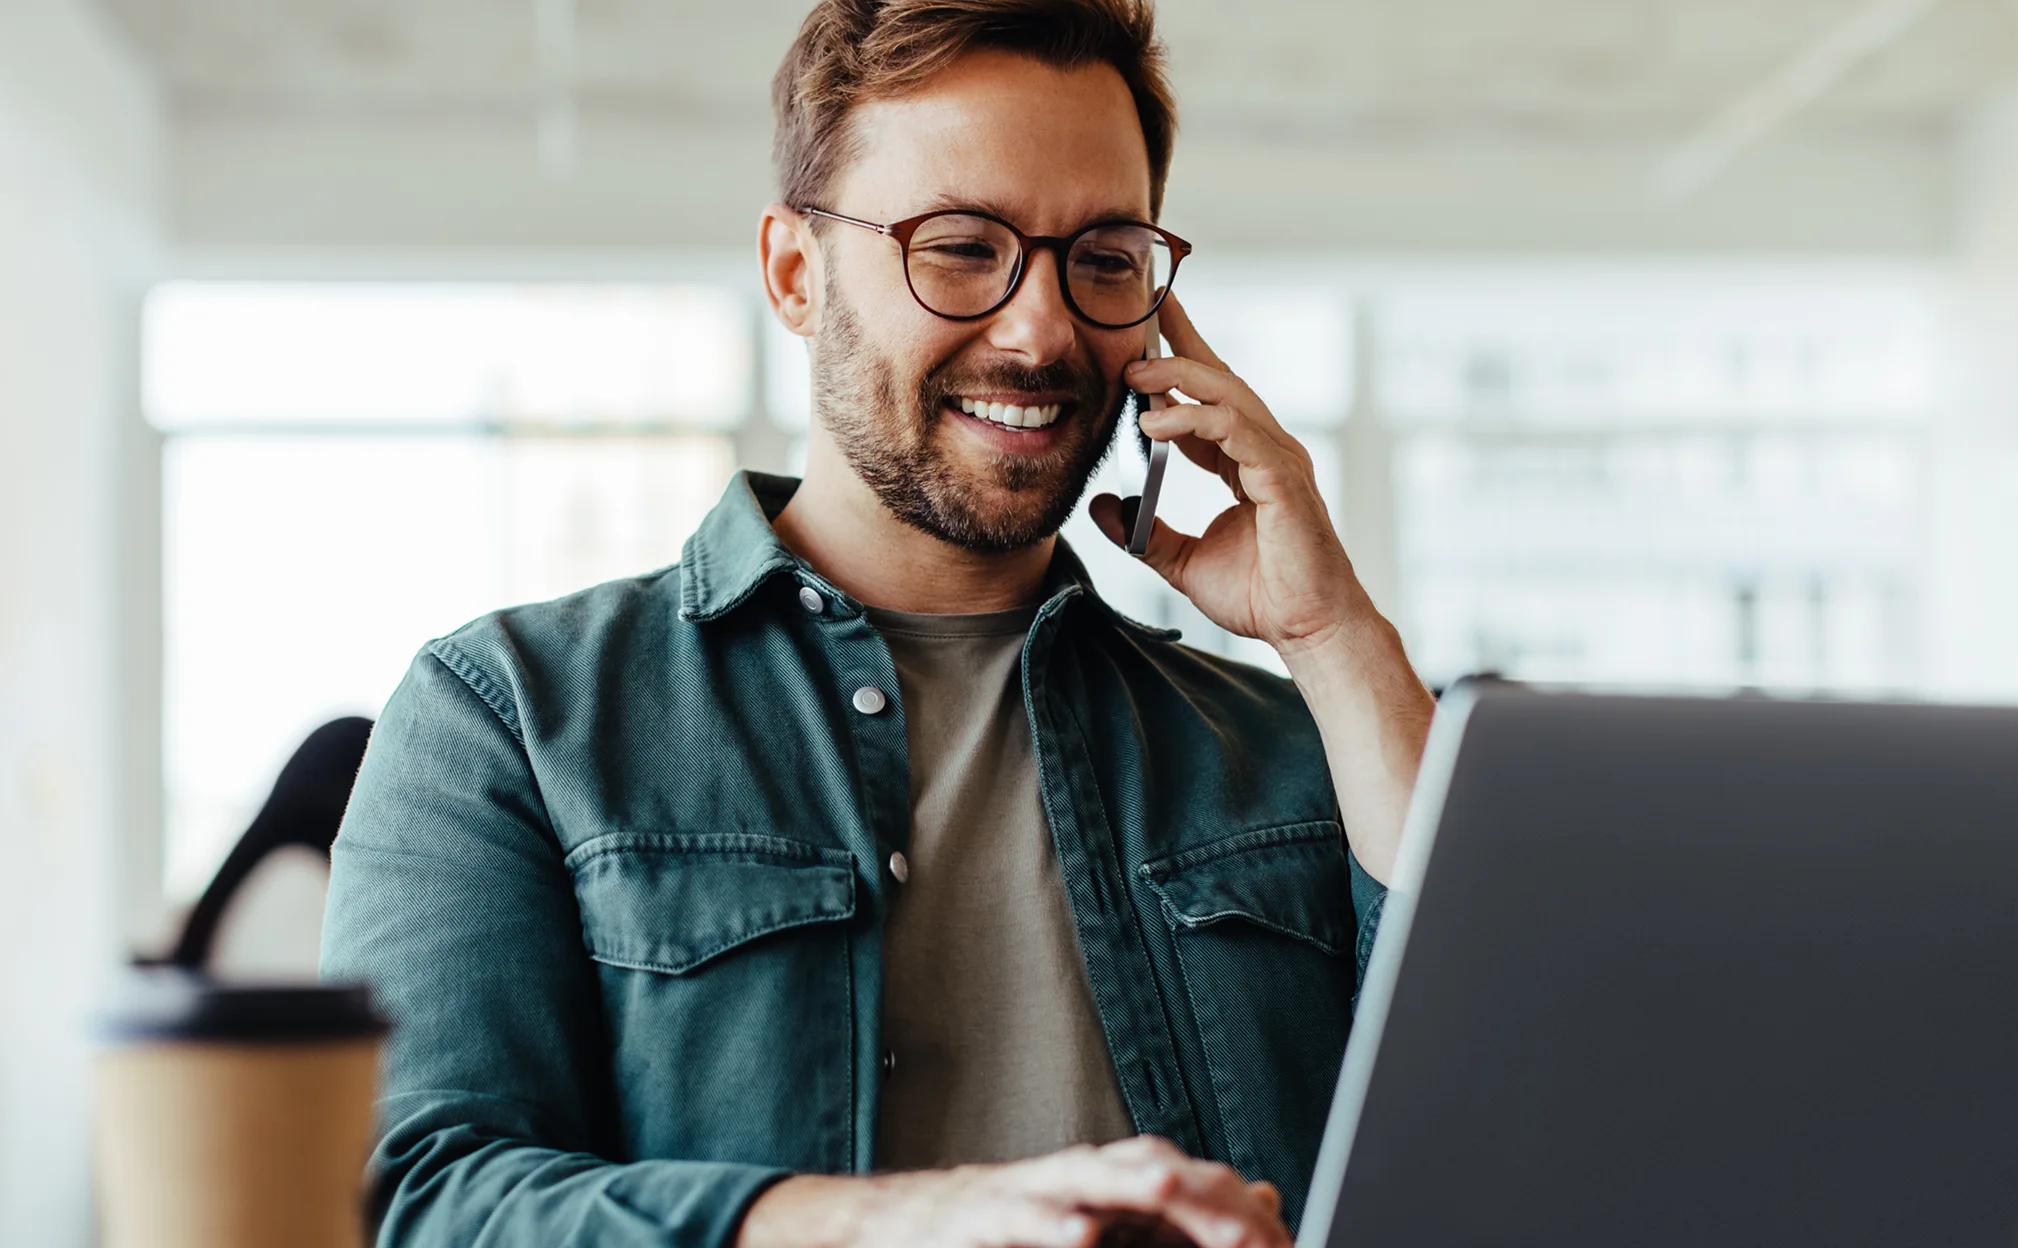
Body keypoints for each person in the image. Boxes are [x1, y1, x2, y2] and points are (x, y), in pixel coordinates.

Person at [320, 2, 1436, 1245]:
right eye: (961, 246)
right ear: (796, 274)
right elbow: (419, 1198)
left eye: (1106, 259)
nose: (1042, 330)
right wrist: (914, 1222)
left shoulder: (1291, 746)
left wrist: (1333, 633)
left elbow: (1509, 1105)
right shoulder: (512, 717)